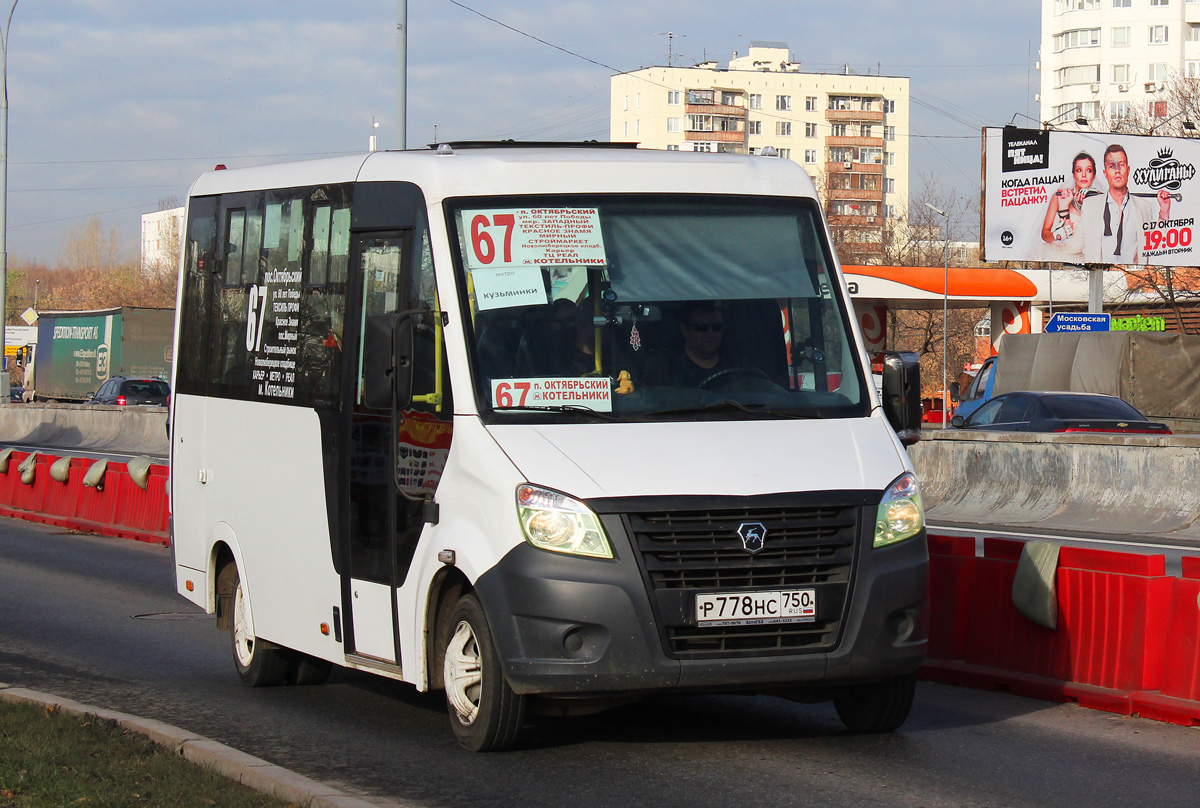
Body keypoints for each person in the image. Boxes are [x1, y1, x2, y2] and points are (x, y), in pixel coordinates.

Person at [1081, 144, 1172, 264]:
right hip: (1099, 276)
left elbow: (1156, 245)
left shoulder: (1143, 206)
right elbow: (1079, 244)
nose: (1117, 170)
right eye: (1112, 166)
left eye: (1121, 165)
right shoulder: (1089, 205)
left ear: (1128, 170)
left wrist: (1164, 212)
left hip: (1133, 276)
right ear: (1105, 173)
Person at [1041, 151, 1096, 263]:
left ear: (1094, 175)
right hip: (1054, 257)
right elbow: (1044, 234)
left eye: (1088, 170)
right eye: (1079, 170)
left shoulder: (1100, 199)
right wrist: (1057, 235)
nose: (1084, 175)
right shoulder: (1061, 196)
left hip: (1079, 262)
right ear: (1074, 175)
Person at [667, 301, 729, 387]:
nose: (710, 334)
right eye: (701, 327)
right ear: (684, 330)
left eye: (717, 327)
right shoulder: (666, 369)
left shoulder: (737, 364)